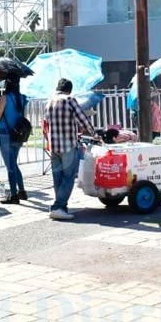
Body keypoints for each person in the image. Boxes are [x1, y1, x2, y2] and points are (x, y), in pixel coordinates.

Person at [44, 78, 96, 220]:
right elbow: (83, 119)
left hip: (54, 145)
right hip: (68, 145)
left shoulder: (49, 101)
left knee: (58, 178)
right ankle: (58, 206)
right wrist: (95, 134)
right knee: (68, 177)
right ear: (69, 89)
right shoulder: (70, 100)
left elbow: (47, 122)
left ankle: (61, 207)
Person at [0, 76, 28, 204]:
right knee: (13, 163)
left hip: (5, 133)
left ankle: (14, 195)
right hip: (18, 134)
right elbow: (23, 117)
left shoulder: (4, 98)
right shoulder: (23, 98)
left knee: (10, 166)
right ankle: (22, 191)